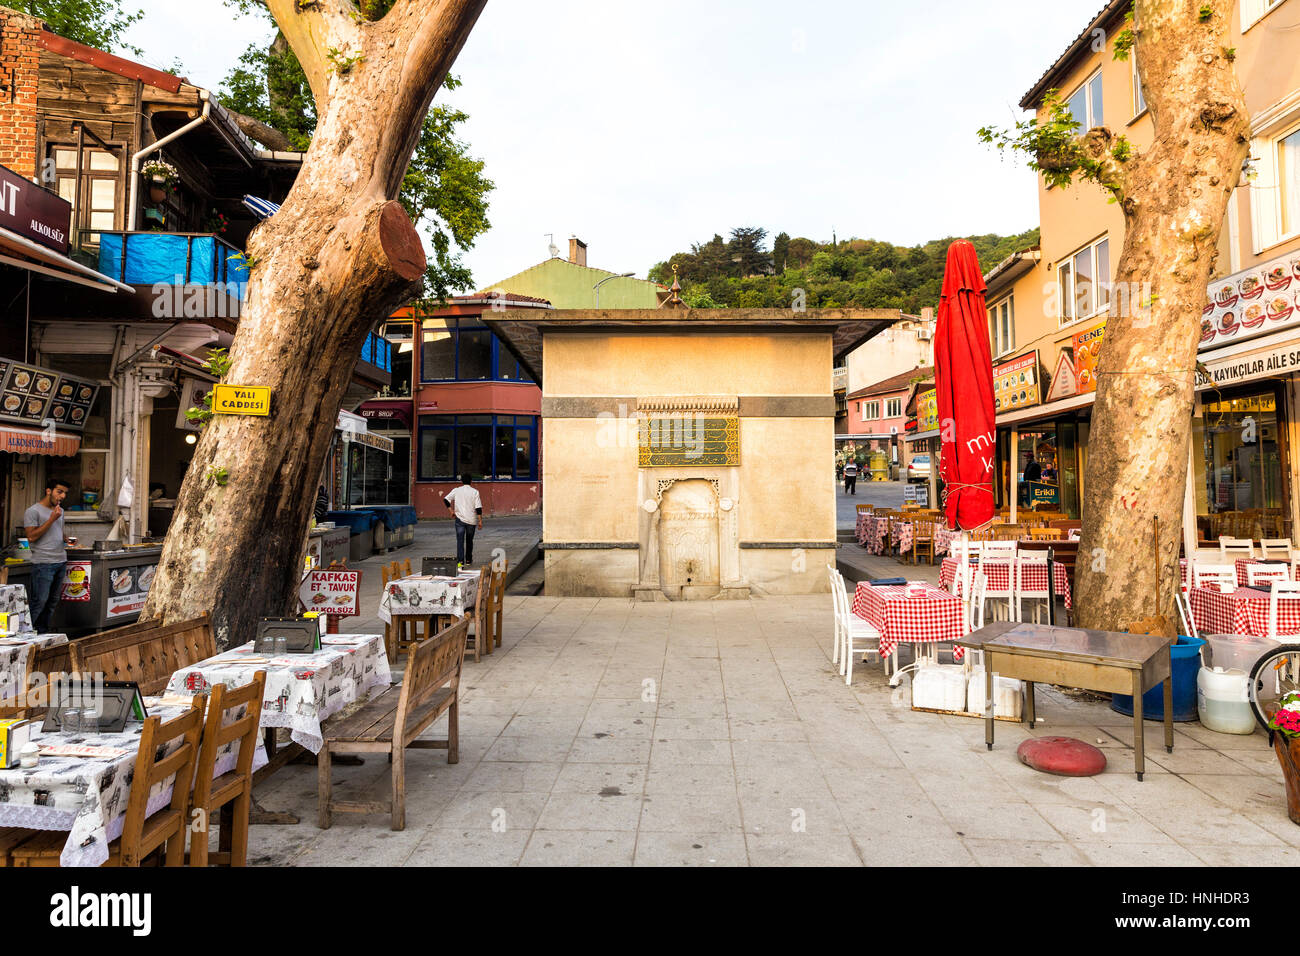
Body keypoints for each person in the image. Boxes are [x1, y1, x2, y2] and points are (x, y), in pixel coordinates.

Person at [24, 478, 73, 632]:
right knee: (39, 601)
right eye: (59, 492)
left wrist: (65, 538)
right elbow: (31, 537)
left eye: (65, 493)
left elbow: (56, 531)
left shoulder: (61, 511)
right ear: (48, 491)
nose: (63, 496)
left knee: (52, 602)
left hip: (60, 560)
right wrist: (52, 519)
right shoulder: (33, 511)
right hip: (43, 563)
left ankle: (42, 633)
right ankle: (26, 634)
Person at [444, 474, 483, 567]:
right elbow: (478, 508)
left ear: (461, 481)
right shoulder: (475, 492)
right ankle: (468, 560)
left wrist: (451, 511)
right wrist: (480, 521)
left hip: (459, 520)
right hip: (471, 520)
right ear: (471, 481)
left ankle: (460, 561)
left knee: (460, 541)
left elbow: (446, 499)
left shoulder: (456, 490)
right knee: (469, 540)